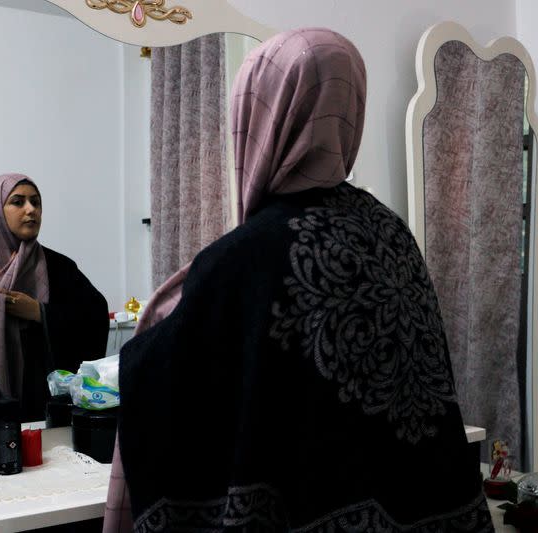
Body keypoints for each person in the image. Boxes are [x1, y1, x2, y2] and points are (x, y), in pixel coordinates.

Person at [104, 28, 493, 532]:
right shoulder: (392, 232)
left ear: (262, 119)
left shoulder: (245, 258)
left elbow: (168, 387)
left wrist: (159, 322)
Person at [0, 173, 109, 422]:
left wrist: (39, 312)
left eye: (36, 202)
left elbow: (95, 316)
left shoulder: (61, 268)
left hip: (52, 412)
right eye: (18, 202)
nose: (31, 210)